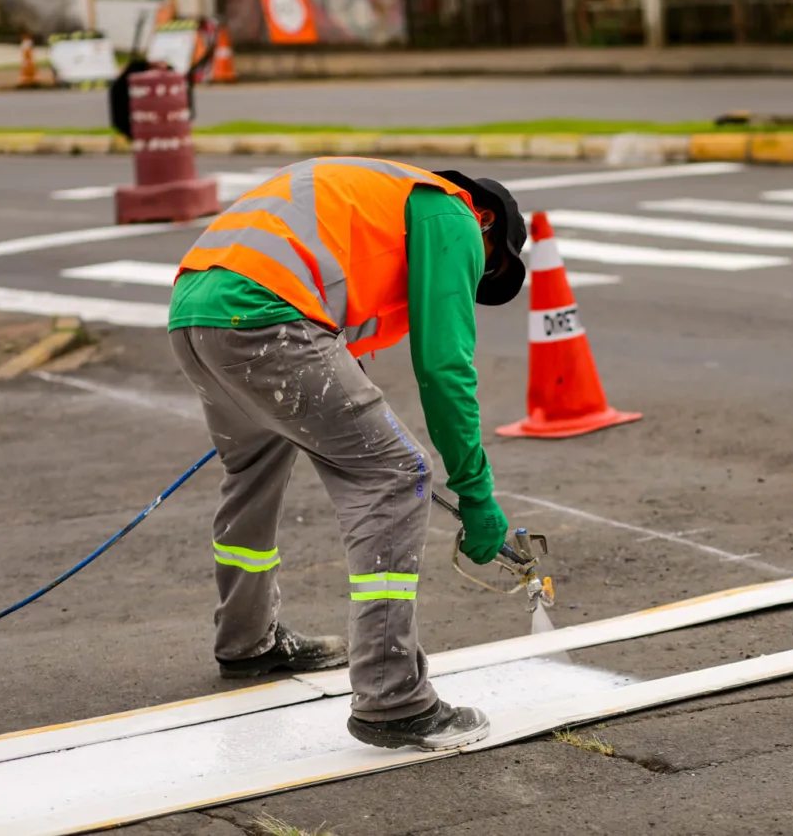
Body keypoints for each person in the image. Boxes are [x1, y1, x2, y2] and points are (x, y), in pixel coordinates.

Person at [166, 157, 526, 750]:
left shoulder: (382, 192)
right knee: (397, 474)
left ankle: (246, 641)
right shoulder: (452, 214)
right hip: (265, 314)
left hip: (195, 310)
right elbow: (444, 368)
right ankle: (393, 699)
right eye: (487, 266)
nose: (474, 277)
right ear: (486, 219)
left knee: (252, 469)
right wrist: (475, 489)